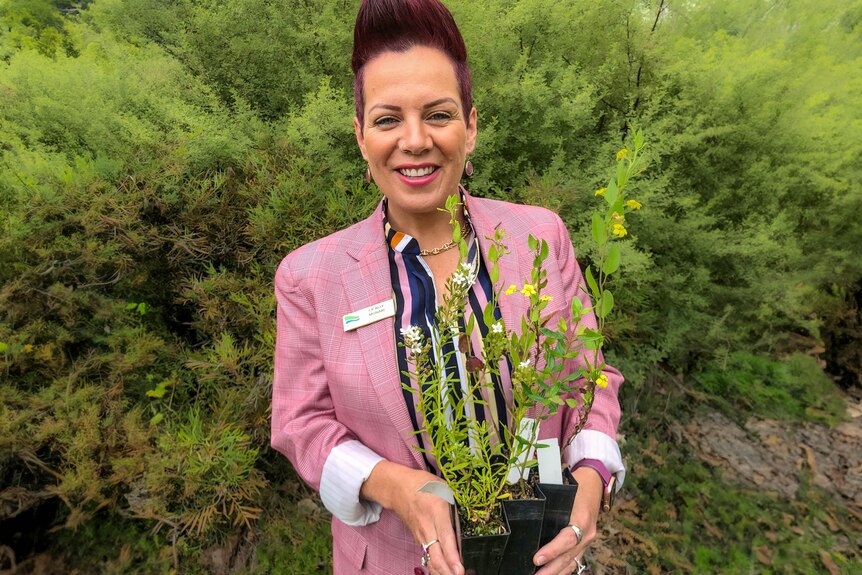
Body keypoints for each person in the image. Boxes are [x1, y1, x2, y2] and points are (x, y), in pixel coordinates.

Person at [271, 1, 624, 573]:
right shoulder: (312, 277)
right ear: (361, 137)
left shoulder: (539, 235)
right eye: (388, 120)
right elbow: (301, 425)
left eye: (438, 114)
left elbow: (589, 379)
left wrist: (590, 478)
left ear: (471, 126)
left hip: (542, 554)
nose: (415, 140)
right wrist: (395, 487)